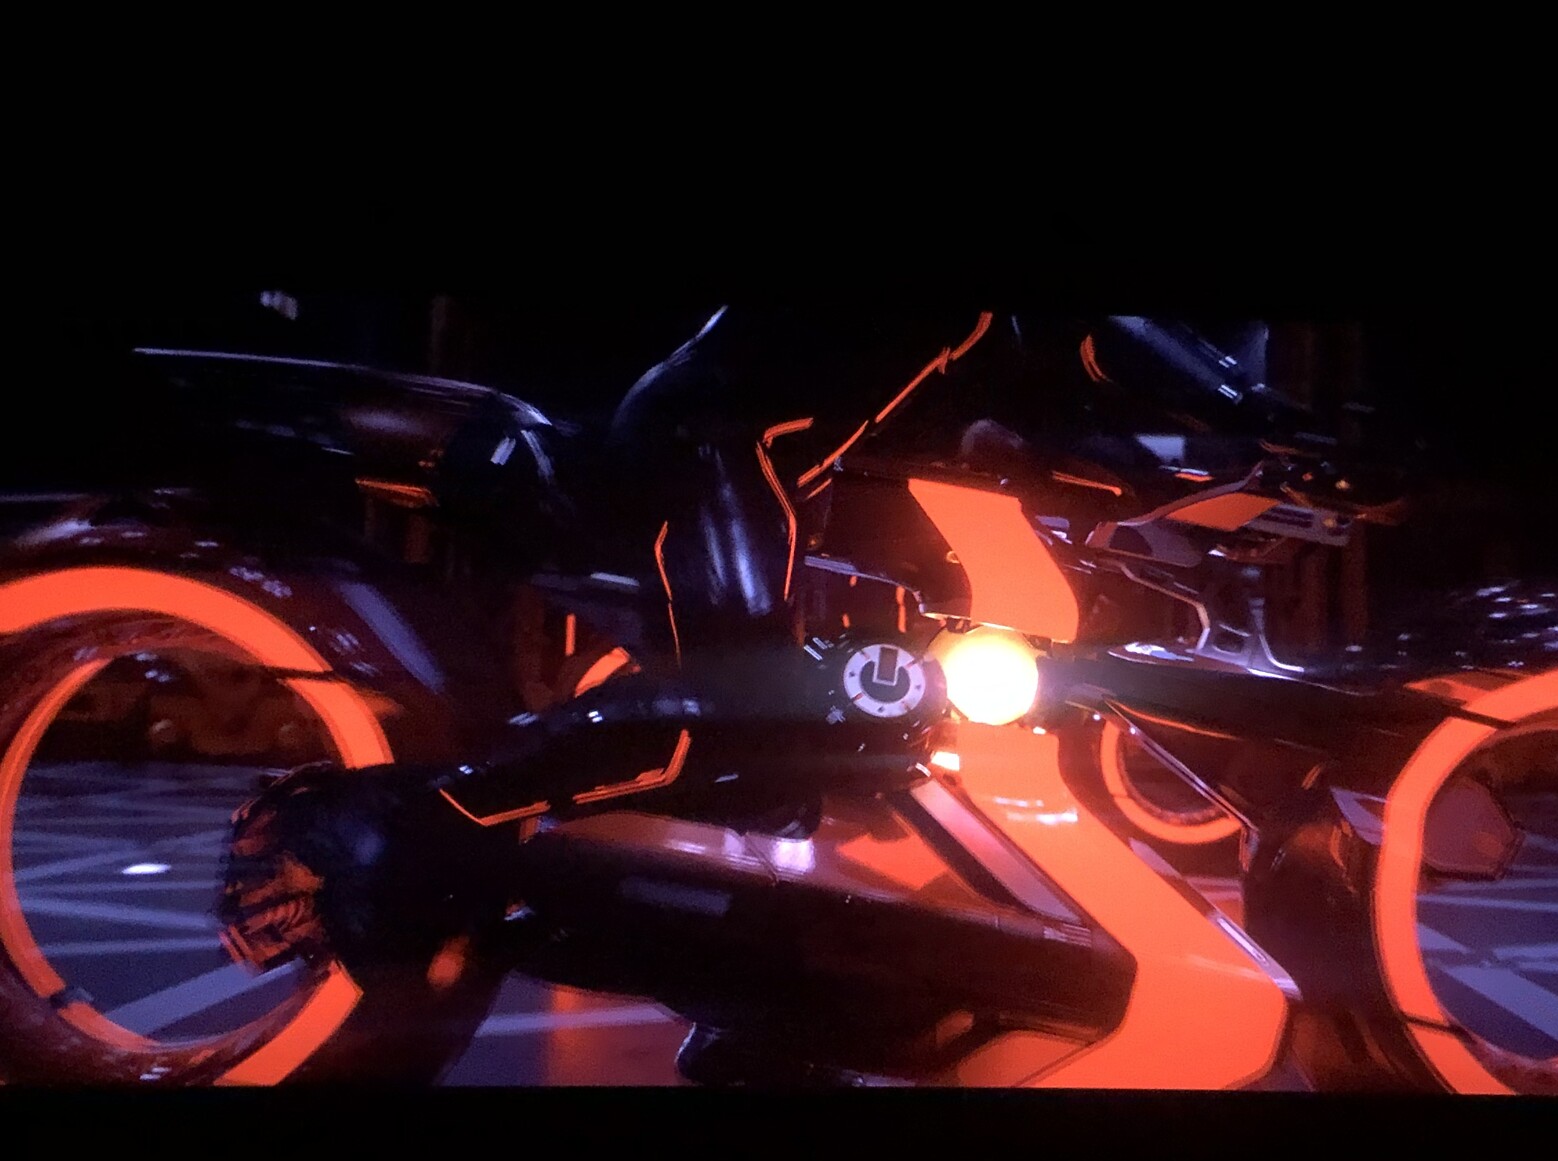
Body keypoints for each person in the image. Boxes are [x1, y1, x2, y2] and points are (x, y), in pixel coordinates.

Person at [216, 306, 1321, 1082]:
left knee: (778, 792)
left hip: (767, 470)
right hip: (713, 452)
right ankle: (396, 824)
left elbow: (1043, 426)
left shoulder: (988, 346)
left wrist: (1233, 452)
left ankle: (748, 1022)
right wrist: (1264, 414)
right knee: (738, 713)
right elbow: (1101, 341)